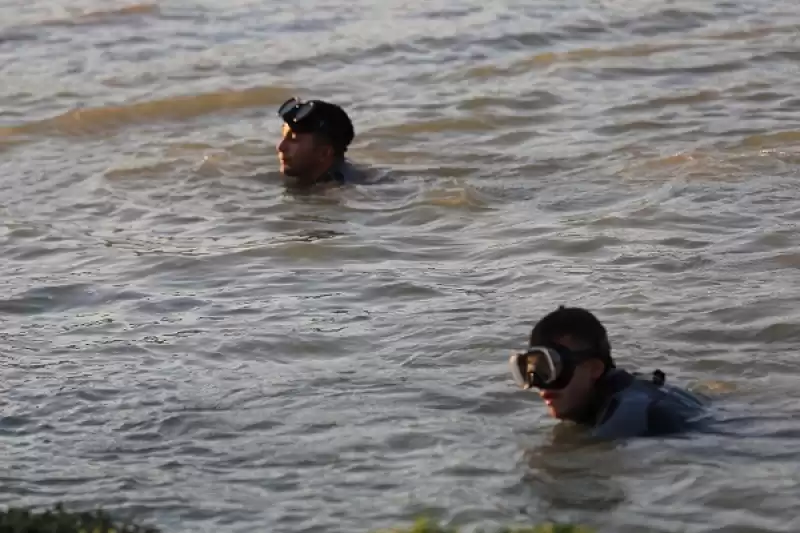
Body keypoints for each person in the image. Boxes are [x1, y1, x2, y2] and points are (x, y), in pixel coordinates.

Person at [508, 306, 708, 440]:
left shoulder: (624, 421)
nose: (541, 384)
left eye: (553, 367)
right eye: (533, 369)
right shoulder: (623, 388)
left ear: (595, 368)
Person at [275, 96, 363, 188]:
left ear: (324, 153)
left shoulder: (337, 191)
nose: (280, 147)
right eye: (283, 136)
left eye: (293, 139)